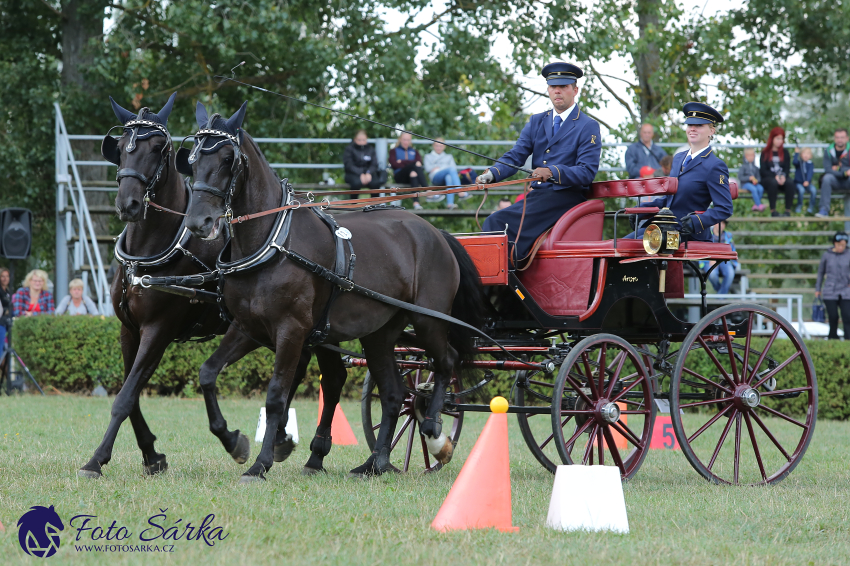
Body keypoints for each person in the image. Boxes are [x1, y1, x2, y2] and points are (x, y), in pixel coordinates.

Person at [478, 62, 601, 261]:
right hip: (538, 197)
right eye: (553, 87)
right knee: (495, 221)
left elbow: (586, 172)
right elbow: (516, 155)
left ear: (575, 90)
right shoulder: (536, 121)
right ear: (548, 90)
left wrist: (552, 171)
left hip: (566, 197)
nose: (557, 91)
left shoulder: (588, 126)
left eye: (564, 87)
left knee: (497, 221)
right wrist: (492, 173)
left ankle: (504, 282)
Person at [631, 102, 733, 242]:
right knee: (616, 247)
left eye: (699, 126)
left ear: (711, 131)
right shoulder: (678, 158)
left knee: (636, 249)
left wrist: (696, 221)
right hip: (664, 227)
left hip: (687, 232)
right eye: (690, 125)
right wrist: (641, 210)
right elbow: (670, 200)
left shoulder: (715, 166)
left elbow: (725, 208)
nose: (692, 129)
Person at [815, 232, 850, 339]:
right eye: (839, 245)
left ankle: (848, 339)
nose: (841, 247)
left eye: (843, 245)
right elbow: (821, 273)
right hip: (830, 291)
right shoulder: (827, 255)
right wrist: (818, 289)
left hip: (846, 291)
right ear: (834, 243)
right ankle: (833, 338)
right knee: (833, 316)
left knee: (847, 316)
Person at [815, 129, 850, 228]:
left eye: (842, 137)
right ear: (834, 138)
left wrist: (837, 169)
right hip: (836, 180)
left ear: (847, 138)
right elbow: (828, 170)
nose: (840, 140)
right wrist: (844, 172)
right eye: (837, 137)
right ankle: (824, 211)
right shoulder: (828, 150)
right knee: (826, 178)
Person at [423, 137, 470, 209]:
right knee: (450, 170)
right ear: (433, 146)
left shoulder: (449, 157)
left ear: (444, 147)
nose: (438, 148)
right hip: (435, 178)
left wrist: (438, 167)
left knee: (449, 177)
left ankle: (450, 204)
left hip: (445, 178)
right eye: (437, 145)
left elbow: (454, 170)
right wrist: (445, 167)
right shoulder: (428, 156)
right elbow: (428, 169)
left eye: (441, 146)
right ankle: (460, 191)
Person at [760, 127, 795, 217]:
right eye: (778, 138)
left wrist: (783, 176)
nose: (780, 141)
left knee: (790, 183)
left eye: (782, 139)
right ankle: (773, 211)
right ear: (772, 138)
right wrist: (774, 177)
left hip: (782, 178)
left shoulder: (785, 153)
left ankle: (787, 211)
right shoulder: (765, 153)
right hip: (769, 179)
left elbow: (787, 168)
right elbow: (763, 170)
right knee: (773, 182)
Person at [389, 132, 426, 209]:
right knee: (414, 166)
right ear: (400, 140)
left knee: (413, 173)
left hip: (411, 177)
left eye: (408, 140)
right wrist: (412, 163)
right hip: (400, 176)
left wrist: (401, 161)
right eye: (404, 140)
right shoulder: (393, 151)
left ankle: (416, 203)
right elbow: (394, 164)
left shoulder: (415, 152)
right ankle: (427, 190)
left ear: (410, 141)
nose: (406, 142)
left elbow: (420, 163)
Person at [701, 220, 739, 294]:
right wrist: (710, 258)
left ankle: (720, 298)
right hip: (709, 260)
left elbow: (732, 250)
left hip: (724, 260)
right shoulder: (706, 234)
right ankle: (722, 295)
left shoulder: (728, 236)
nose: (721, 225)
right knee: (712, 274)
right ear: (714, 223)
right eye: (720, 222)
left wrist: (734, 263)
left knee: (730, 273)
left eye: (723, 223)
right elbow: (702, 249)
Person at [342, 130, 383, 199]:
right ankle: (353, 205)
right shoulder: (349, 149)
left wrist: (368, 173)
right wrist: (360, 173)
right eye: (359, 140)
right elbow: (349, 165)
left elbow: (374, 164)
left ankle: (375, 205)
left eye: (363, 140)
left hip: (368, 174)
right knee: (356, 183)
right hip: (353, 174)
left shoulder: (371, 149)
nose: (361, 142)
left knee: (376, 183)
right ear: (355, 139)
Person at [739, 148, 765, 212]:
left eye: (752, 155)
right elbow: (740, 177)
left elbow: (759, 177)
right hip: (745, 184)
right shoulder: (743, 167)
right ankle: (759, 205)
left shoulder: (755, 168)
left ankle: (756, 205)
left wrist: (756, 180)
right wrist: (749, 178)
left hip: (754, 184)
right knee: (754, 189)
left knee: (760, 188)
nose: (751, 157)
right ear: (745, 156)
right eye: (749, 155)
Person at [793, 146, 817, 214]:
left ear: (811, 156)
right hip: (799, 183)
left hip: (807, 183)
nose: (806, 155)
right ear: (801, 155)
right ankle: (799, 205)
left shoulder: (811, 164)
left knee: (813, 190)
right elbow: (794, 162)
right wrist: (796, 153)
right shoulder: (799, 163)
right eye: (804, 153)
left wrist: (807, 181)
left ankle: (811, 206)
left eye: (808, 153)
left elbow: (810, 173)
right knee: (801, 190)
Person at [0, 268, 10, 361]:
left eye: (7, 276)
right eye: (3, 276)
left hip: (6, 323)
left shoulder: (8, 291)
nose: (5, 278)